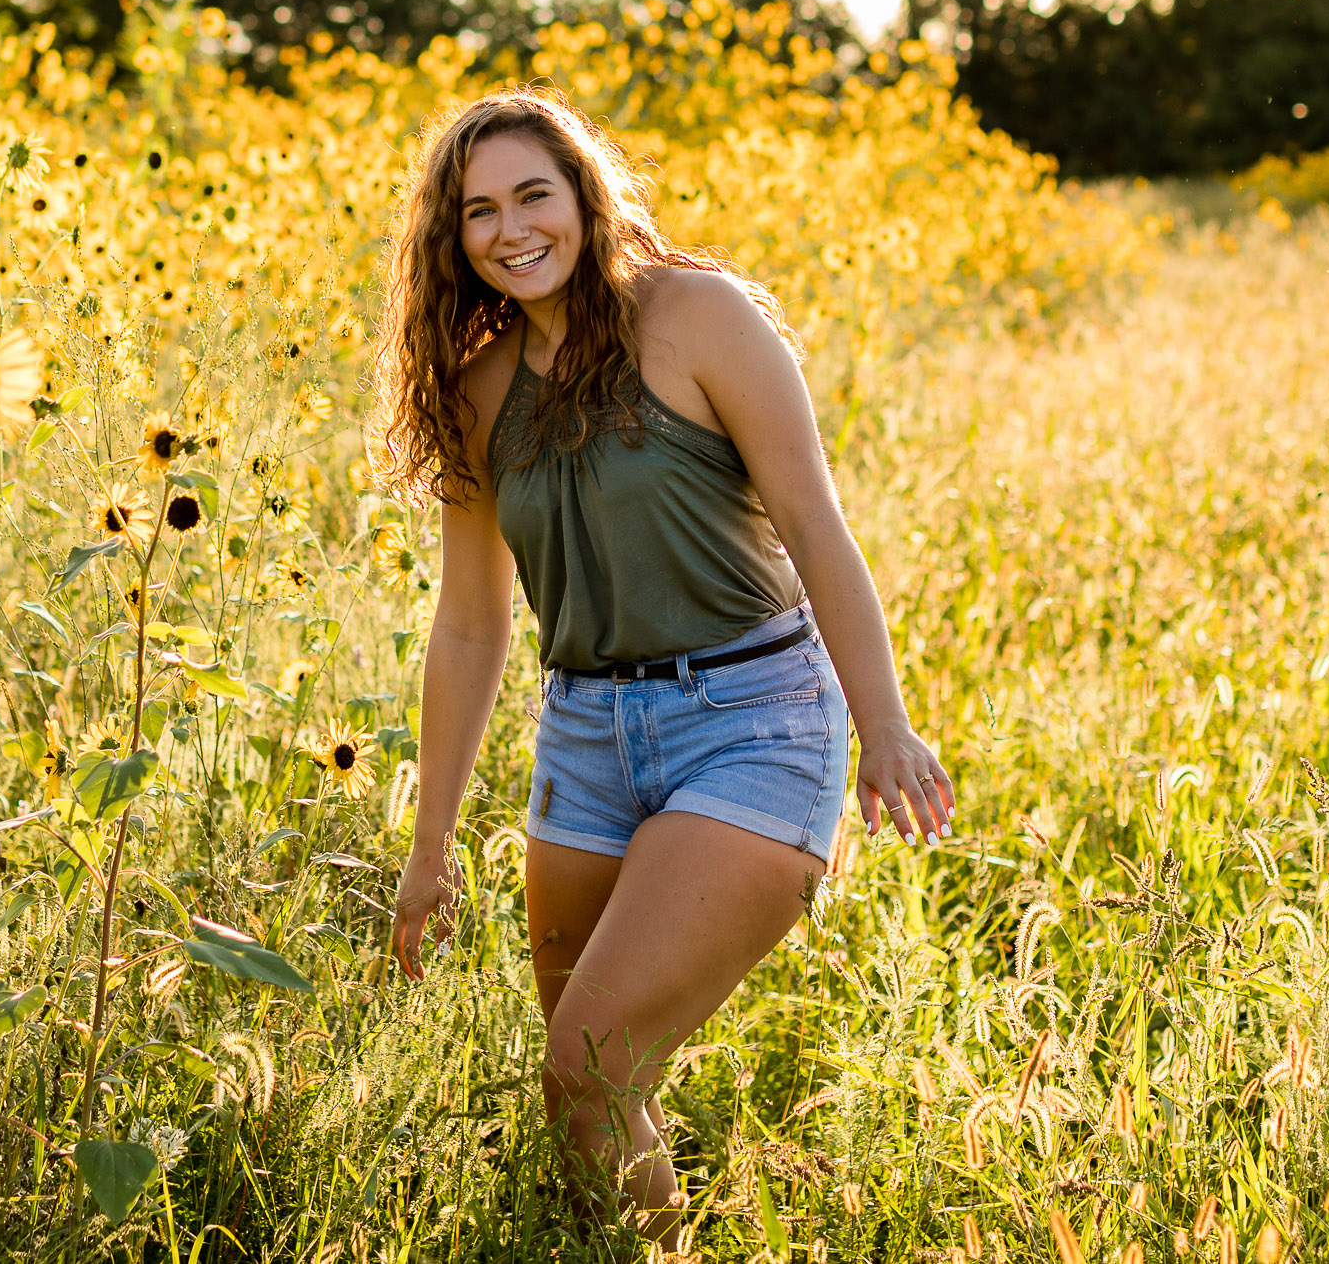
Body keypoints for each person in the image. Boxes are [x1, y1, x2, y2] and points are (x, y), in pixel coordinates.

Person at [367, 85, 953, 1237]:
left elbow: (815, 524)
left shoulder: (698, 318)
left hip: (753, 714)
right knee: (586, 1086)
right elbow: (473, 624)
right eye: (478, 210)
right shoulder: (480, 391)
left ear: (584, 196)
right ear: (452, 238)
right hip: (583, 737)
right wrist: (426, 848)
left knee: (586, 1064)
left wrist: (882, 720)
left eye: (534, 193)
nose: (511, 227)